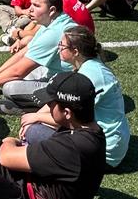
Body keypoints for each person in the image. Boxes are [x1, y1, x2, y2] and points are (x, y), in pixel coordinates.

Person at [19, 26, 128, 168]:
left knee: (35, 132)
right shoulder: (90, 66)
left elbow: (67, 118)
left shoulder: (89, 76)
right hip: (104, 143)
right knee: (35, 127)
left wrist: (36, 118)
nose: (58, 48)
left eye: (61, 45)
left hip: (102, 154)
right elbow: (57, 101)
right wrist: (34, 116)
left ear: (75, 51)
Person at [0, 0, 76, 110]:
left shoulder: (53, 32)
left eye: (36, 5)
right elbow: (23, 54)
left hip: (71, 87)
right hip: (61, 76)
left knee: (10, 87)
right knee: (13, 77)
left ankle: (40, 108)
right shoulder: (53, 22)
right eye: (31, 4)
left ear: (51, 10)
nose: (30, 9)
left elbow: (18, 71)